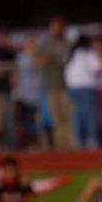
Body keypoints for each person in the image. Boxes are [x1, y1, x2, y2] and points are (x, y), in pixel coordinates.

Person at [38, 15, 73, 149]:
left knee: (68, 117)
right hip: (51, 86)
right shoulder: (47, 44)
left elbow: (64, 59)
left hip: (66, 85)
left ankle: (70, 145)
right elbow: (40, 59)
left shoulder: (67, 44)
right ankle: (60, 146)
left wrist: (51, 59)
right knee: (56, 119)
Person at [64, 35, 102, 149]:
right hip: (88, 86)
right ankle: (92, 140)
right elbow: (98, 68)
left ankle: (78, 140)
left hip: (74, 87)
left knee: (78, 114)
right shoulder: (89, 53)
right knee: (91, 114)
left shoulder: (72, 54)